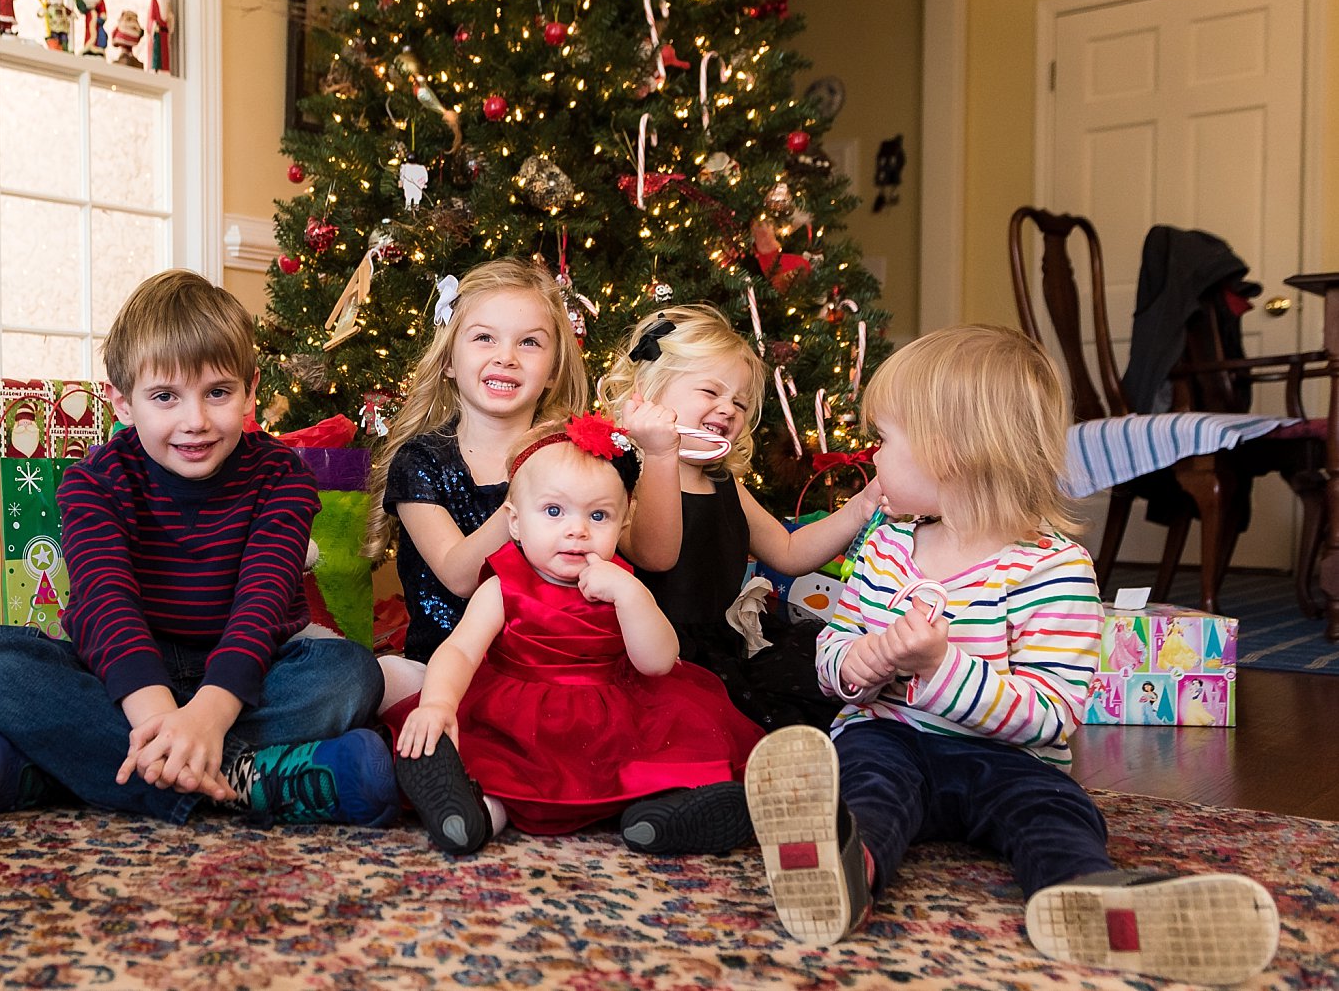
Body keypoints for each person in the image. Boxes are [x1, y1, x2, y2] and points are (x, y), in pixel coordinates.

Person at [743, 326, 1279, 986]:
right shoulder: (885, 548)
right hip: (889, 739)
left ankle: (1090, 898)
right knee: (865, 786)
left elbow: (1050, 714)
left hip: (1007, 760)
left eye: (884, 441)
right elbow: (832, 656)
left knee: (1053, 811)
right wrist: (863, 661)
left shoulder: (1054, 569)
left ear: (947, 455)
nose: (870, 458)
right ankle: (845, 872)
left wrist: (942, 669)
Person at [0, 269, 399, 829]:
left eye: (219, 393)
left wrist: (207, 715)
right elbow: (108, 608)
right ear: (124, 403)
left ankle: (53, 767)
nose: (195, 421)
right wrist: (161, 714)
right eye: (165, 397)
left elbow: (262, 604)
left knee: (352, 676)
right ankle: (249, 780)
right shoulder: (94, 483)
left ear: (251, 390)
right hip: (121, 674)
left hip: (247, 671)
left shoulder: (281, 479)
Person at [388, 413, 766, 856]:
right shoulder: (502, 585)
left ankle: (660, 817)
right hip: (520, 718)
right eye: (553, 511)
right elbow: (460, 650)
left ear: (623, 521)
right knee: (500, 774)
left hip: (614, 714)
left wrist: (631, 595)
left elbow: (659, 661)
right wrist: (438, 703)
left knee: (654, 763)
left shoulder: (619, 583)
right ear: (514, 523)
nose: (577, 530)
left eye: (599, 515)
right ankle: (469, 813)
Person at [598, 305, 882, 730]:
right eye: (710, 393)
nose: (728, 409)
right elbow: (657, 556)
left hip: (723, 650)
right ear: (649, 392)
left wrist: (862, 506)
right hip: (659, 655)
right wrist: (660, 454)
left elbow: (788, 551)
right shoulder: (621, 481)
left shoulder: (725, 484)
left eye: (740, 403)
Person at [366, 259, 588, 707]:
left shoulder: (574, 457)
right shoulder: (421, 462)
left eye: (529, 342)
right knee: (381, 681)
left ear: (552, 370)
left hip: (551, 666)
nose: (505, 356)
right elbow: (459, 575)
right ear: (449, 360)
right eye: (484, 337)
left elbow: (644, 555)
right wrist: (532, 493)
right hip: (445, 667)